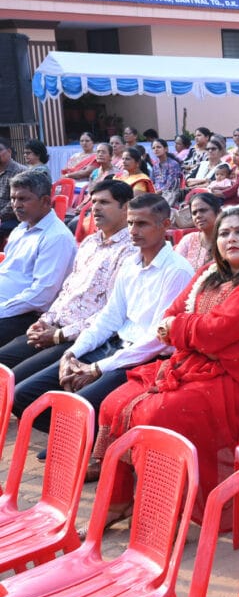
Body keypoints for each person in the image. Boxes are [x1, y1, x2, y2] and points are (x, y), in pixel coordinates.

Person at [86, 208, 239, 524]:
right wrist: (190, 331)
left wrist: (182, 329)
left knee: (156, 415)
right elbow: (171, 313)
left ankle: (161, 511)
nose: (231, 239)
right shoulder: (209, 273)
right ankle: (119, 501)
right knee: (114, 404)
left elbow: (218, 331)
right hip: (190, 367)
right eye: (224, 233)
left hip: (235, 380)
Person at [11, 193, 194, 433]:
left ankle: (81, 441)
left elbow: (157, 339)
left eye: (142, 224)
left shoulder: (177, 271)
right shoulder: (131, 264)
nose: (133, 230)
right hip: (114, 346)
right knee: (22, 394)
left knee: (74, 410)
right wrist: (72, 353)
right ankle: (75, 439)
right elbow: (109, 317)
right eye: (131, 223)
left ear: (165, 225)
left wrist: (98, 368)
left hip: (144, 358)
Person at [0, 180, 132, 383]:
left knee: (16, 386)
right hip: (53, 325)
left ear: (126, 207)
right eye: (93, 202)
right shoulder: (90, 243)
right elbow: (67, 291)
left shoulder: (130, 251)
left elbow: (110, 312)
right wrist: (45, 321)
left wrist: (60, 334)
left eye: (104, 202)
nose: (96, 208)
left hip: (81, 338)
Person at [0, 171, 77, 346]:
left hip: (26, 314)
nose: (15, 205)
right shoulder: (21, 228)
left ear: (45, 201)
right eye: (13, 198)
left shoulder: (56, 237)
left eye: (23, 199)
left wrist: (2, 310)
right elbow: (8, 270)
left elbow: (42, 295)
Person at [174, 192, 222, 271]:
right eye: (194, 213)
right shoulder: (188, 240)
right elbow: (175, 268)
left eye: (203, 210)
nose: (198, 216)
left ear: (219, 212)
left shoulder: (227, 241)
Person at [149, 138, 183, 206]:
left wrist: (155, 193)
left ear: (166, 149)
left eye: (158, 147)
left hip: (169, 197)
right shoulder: (155, 166)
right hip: (155, 195)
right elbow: (151, 182)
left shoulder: (173, 164)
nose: (156, 149)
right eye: (153, 148)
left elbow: (170, 186)